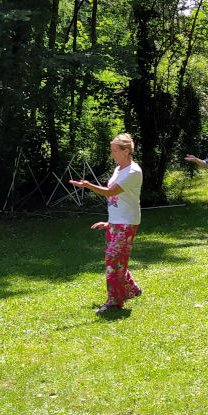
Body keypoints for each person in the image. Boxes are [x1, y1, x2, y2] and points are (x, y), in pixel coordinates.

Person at [70, 133, 143, 314]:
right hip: (117, 221)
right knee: (114, 259)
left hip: (126, 222)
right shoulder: (119, 169)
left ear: (126, 151)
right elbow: (119, 199)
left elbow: (111, 192)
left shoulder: (133, 171)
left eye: (115, 151)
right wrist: (109, 222)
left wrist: (88, 185)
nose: (112, 155)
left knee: (114, 261)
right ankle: (132, 289)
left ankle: (114, 302)